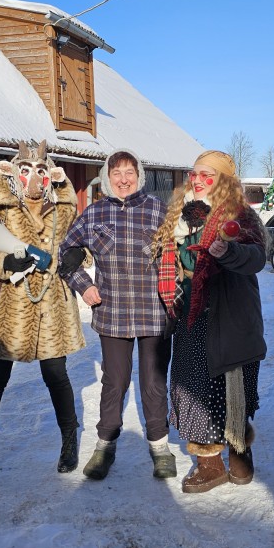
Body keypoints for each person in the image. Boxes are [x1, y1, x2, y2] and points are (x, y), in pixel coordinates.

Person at [0, 140, 85, 475]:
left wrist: (80, 254)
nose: (34, 177)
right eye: (26, 170)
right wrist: (6, 263)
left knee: (56, 374)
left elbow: (82, 244)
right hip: (10, 306)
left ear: (52, 175)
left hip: (52, 303)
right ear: (12, 172)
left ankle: (69, 440)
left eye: (41, 170)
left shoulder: (63, 208)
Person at [152, 150, 267, 493]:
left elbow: (256, 257)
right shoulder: (179, 214)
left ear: (224, 181)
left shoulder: (240, 214)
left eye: (208, 175)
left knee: (233, 386)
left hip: (229, 312)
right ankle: (210, 463)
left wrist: (228, 252)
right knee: (194, 388)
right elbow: (168, 259)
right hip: (190, 312)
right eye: (195, 174)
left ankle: (239, 450)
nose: (198, 180)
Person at [58, 149, 175, 480]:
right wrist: (84, 285)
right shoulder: (94, 212)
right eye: (116, 173)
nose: (124, 179)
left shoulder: (158, 210)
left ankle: (159, 447)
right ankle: (105, 445)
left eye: (129, 173)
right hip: (113, 312)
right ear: (107, 178)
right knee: (115, 381)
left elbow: (178, 252)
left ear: (139, 175)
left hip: (154, 311)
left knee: (153, 382)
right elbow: (66, 252)